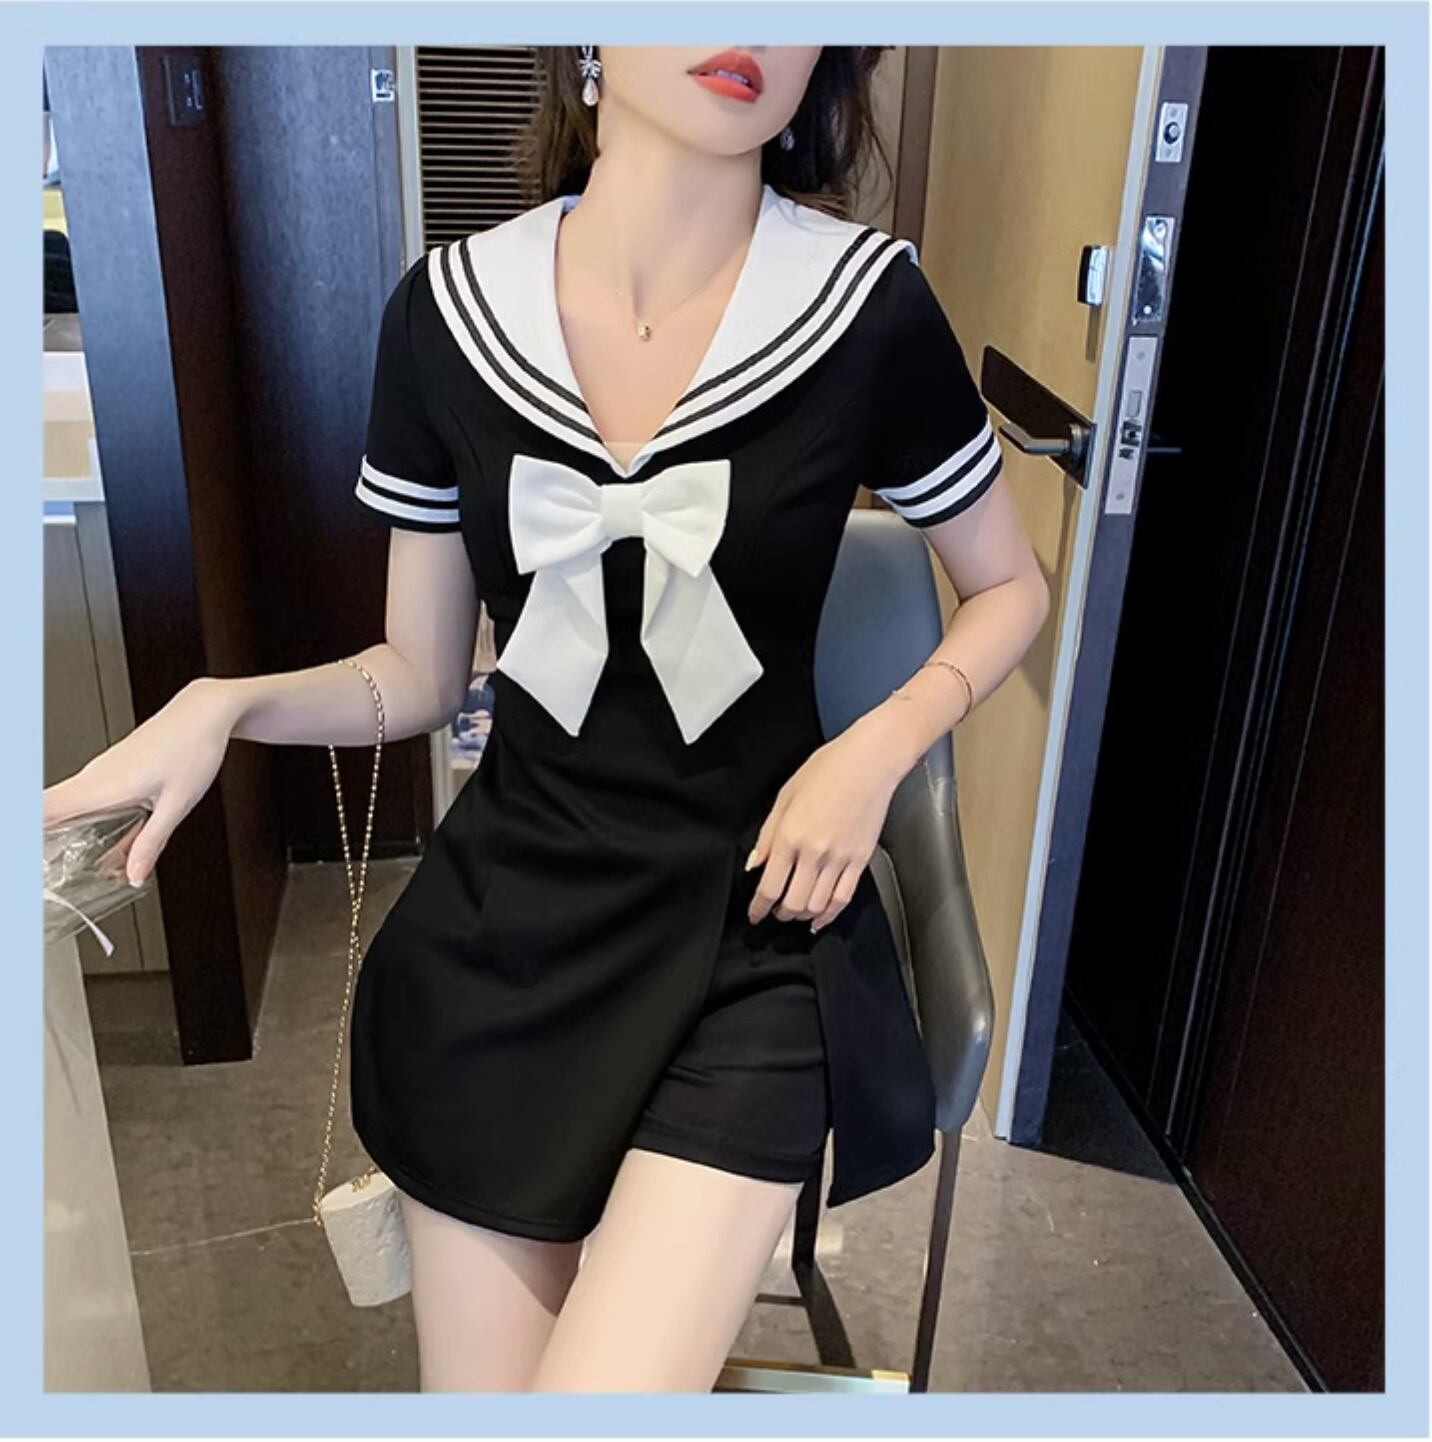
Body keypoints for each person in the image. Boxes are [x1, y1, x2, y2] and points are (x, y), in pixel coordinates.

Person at [42, 45, 1050, 1392]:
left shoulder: (866, 307)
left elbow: (1010, 585)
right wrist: (223, 706)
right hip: (508, 933)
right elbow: (416, 674)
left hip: (750, 926)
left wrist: (874, 747)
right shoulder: (448, 315)